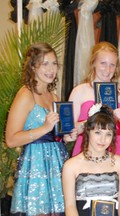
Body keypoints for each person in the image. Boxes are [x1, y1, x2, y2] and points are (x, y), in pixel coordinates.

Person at [5, 42, 77, 215]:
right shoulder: (25, 94)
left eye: (54, 63)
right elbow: (11, 139)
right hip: (36, 165)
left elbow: (54, 134)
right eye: (45, 63)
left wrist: (65, 137)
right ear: (33, 66)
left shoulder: (53, 95)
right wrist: (44, 128)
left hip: (57, 162)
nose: (51, 69)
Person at [69, 41, 120, 199]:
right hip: (86, 149)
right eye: (103, 63)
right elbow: (68, 130)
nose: (107, 69)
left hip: (115, 148)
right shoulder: (80, 91)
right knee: (84, 197)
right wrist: (88, 122)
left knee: (116, 197)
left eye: (112, 65)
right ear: (93, 63)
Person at [62, 104, 120, 216]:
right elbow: (70, 206)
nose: (102, 139)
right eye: (98, 133)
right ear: (88, 131)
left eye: (108, 134)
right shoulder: (71, 166)